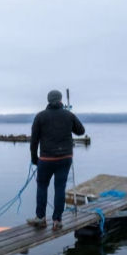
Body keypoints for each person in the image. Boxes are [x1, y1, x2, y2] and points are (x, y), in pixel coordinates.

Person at [27, 90, 85, 230]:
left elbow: (34, 141)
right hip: (65, 158)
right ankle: (57, 220)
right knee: (60, 188)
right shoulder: (68, 115)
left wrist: (35, 159)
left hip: (46, 159)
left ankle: (41, 218)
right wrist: (70, 119)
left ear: (48, 100)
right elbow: (81, 131)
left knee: (42, 186)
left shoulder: (40, 116)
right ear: (60, 100)